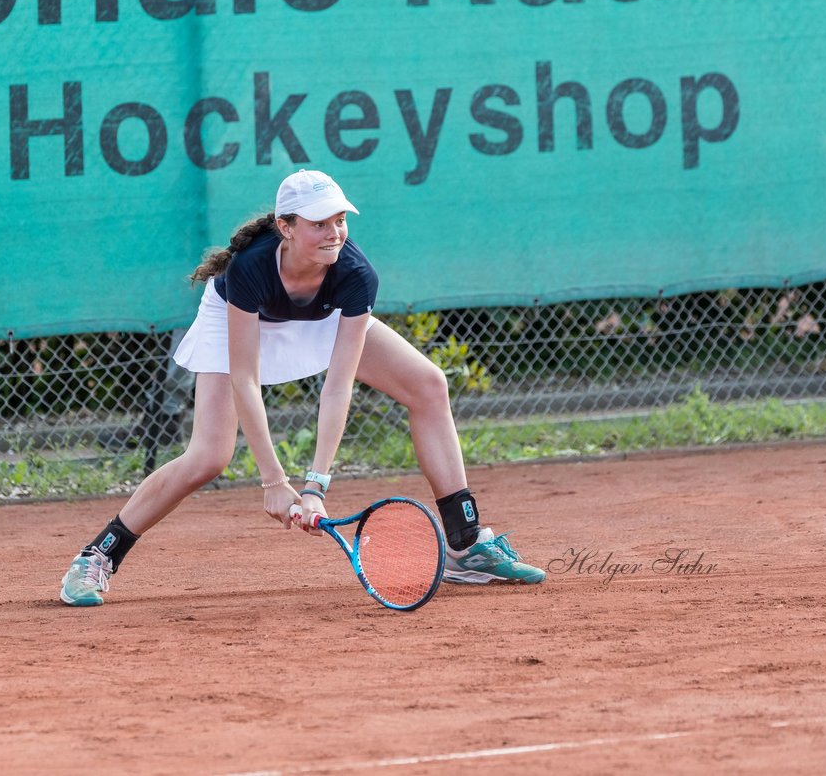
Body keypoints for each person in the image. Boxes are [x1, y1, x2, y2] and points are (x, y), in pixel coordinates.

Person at [60, 169, 546, 606]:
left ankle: (466, 545)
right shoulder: (249, 268)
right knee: (209, 456)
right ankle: (97, 556)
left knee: (427, 383)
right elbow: (246, 378)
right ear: (286, 228)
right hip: (243, 320)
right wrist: (274, 481)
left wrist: (315, 484)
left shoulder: (356, 275)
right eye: (318, 223)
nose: (333, 233)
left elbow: (338, 387)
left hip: (321, 317)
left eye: (340, 220)